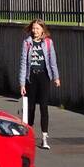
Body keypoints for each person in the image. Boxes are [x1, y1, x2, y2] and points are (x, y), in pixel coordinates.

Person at [19, 19, 60, 149]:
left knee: (44, 107)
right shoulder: (27, 43)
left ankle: (44, 137)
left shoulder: (48, 43)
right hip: (31, 78)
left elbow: (52, 61)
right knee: (30, 108)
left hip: (44, 77)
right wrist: (22, 84)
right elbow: (23, 64)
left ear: (43, 29)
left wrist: (56, 77)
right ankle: (28, 136)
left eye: (37, 28)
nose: (35, 31)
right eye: (33, 28)